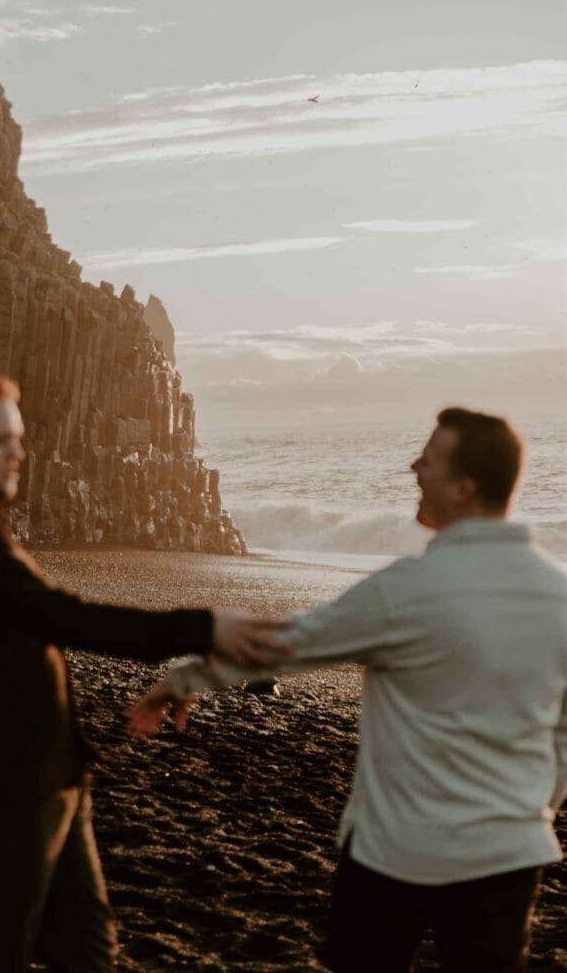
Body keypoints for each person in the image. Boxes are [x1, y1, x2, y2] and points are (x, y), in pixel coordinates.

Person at [129, 407, 567, 973]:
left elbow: (288, 645)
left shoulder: (407, 591)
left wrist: (184, 678)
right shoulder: (558, 596)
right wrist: (536, 809)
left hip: (395, 853)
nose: (413, 468)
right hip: (509, 857)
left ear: (463, 487)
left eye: (427, 460)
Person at [0, 374, 288, 973]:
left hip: (53, 776)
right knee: (1, 953)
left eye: (18, 438)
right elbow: (63, 617)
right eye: (1, 440)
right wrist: (203, 629)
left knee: (90, 953)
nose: (19, 452)